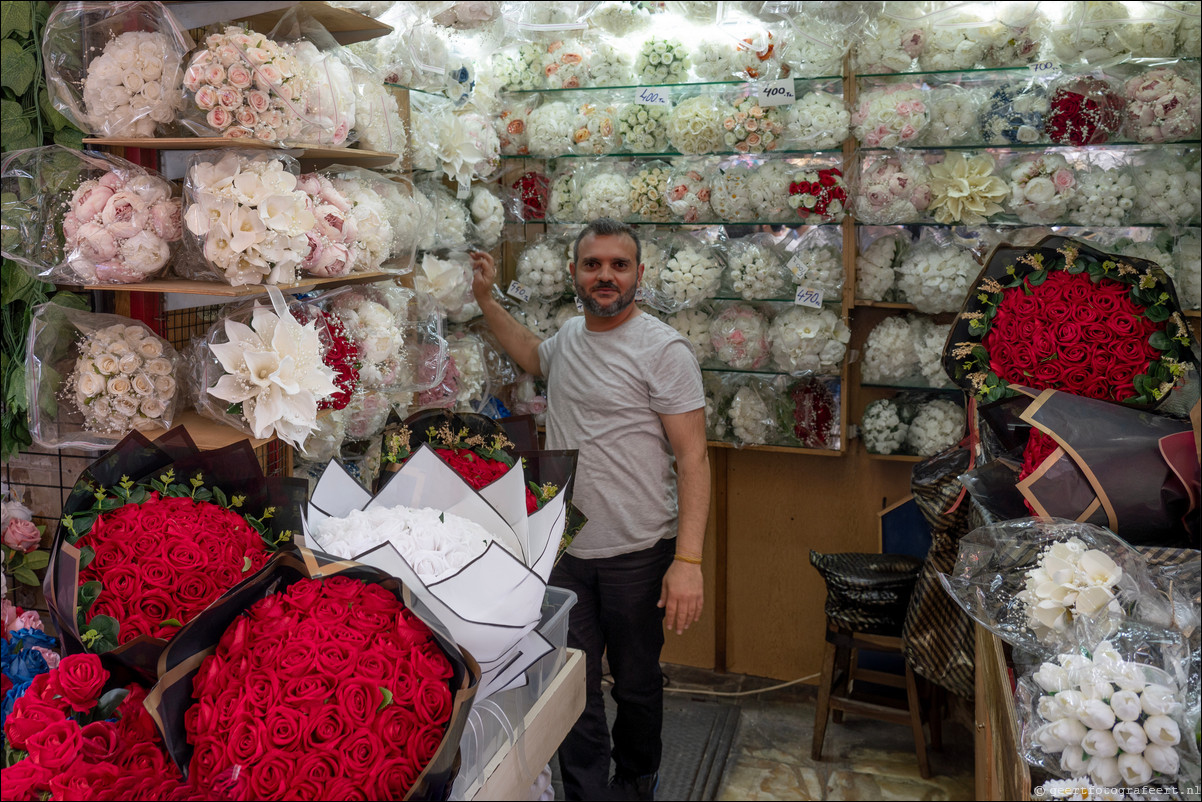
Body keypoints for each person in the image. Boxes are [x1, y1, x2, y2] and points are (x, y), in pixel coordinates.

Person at [469, 218, 710, 801]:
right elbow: (532, 354)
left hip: (637, 552)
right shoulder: (572, 336)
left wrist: (689, 561)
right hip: (565, 550)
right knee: (568, 681)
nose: (606, 276)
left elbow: (695, 459)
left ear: (638, 275)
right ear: (576, 273)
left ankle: (635, 782)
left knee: (635, 685)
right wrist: (483, 299)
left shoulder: (664, 350)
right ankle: (586, 792)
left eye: (618, 265)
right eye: (593, 264)